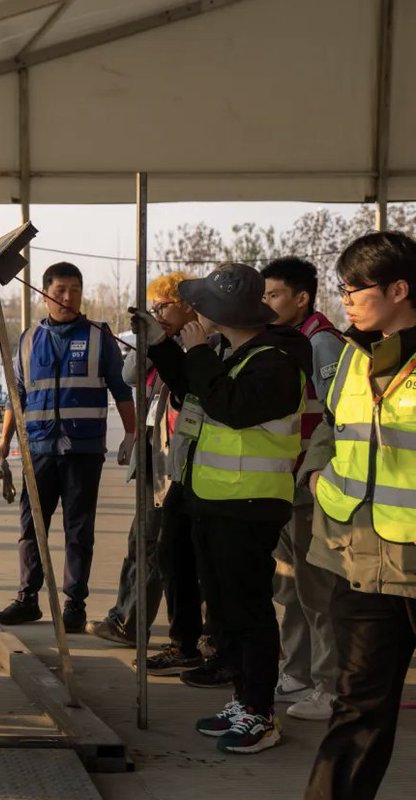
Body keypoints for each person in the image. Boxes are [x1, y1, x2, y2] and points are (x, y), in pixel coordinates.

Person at [134, 262, 311, 755]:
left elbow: (230, 406)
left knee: (248, 609)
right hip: (214, 499)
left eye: (202, 306)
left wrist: (192, 351)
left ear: (220, 312)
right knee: (227, 610)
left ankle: (261, 712)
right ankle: (242, 698)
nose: (194, 313)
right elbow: (196, 391)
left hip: (249, 504)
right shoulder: (231, 353)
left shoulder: (276, 359)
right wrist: (163, 346)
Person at [302, 232, 416, 800]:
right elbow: (331, 426)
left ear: (399, 288)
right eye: (340, 287)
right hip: (364, 562)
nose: (344, 298)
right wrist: (317, 477)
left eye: (354, 288)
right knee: (356, 710)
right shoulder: (352, 352)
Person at [0, 262, 136, 633]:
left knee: (79, 530)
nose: (68, 297)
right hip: (38, 447)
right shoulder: (27, 340)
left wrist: (132, 434)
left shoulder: (99, 337)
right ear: (45, 293)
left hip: (83, 450)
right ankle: (28, 599)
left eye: (75, 289)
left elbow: (122, 392)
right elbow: (16, 396)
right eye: (60, 290)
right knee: (31, 527)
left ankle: (75, 605)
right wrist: (5, 440)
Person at [86, 271, 194, 650]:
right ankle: (124, 615)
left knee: (154, 544)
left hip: (176, 459)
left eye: (165, 305)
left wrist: (163, 343)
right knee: (140, 542)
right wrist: (144, 339)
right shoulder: (158, 343)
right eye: (156, 306)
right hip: (153, 454)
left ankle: (133, 621)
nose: (159, 311)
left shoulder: (197, 345)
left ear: (188, 307)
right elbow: (130, 373)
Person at [260, 257, 346, 721]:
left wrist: (314, 474)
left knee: (317, 589)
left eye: (273, 295)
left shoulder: (323, 344)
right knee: (290, 582)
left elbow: (338, 419)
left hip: (310, 485)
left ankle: (331, 687)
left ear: (301, 298)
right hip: (287, 480)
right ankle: (297, 671)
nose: (266, 304)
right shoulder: (290, 341)